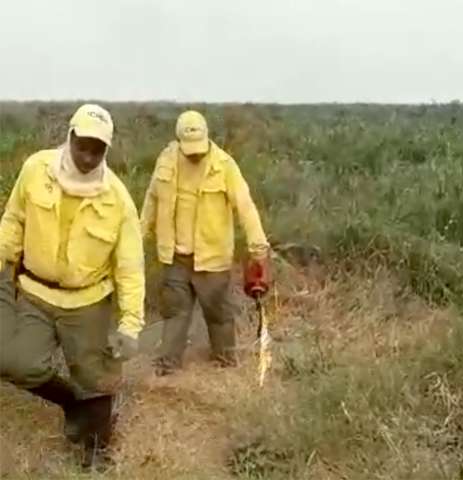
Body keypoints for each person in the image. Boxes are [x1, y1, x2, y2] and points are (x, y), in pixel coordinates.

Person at [0, 104, 145, 470]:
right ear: (70, 137)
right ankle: (71, 403)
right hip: (35, 292)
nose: (87, 156)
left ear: (106, 151)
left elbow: (130, 267)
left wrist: (130, 324)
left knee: (96, 379)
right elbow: (14, 219)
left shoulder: (117, 198)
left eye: (97, 149)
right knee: (14, 362)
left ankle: (97, 452)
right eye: (82, 145)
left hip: (87, 301)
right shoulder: (37, 169)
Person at [141, 110, 270, 376]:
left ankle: (224, 361)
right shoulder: (166, 161)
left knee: (218, 313)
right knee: (176, 311)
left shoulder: (224, 165)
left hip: (212, 257)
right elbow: (151, 201)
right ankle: (168, 365)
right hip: (175, 256)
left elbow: (245, 206)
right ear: (178, 141)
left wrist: (258, 248)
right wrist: (137, 239)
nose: (194, 154)